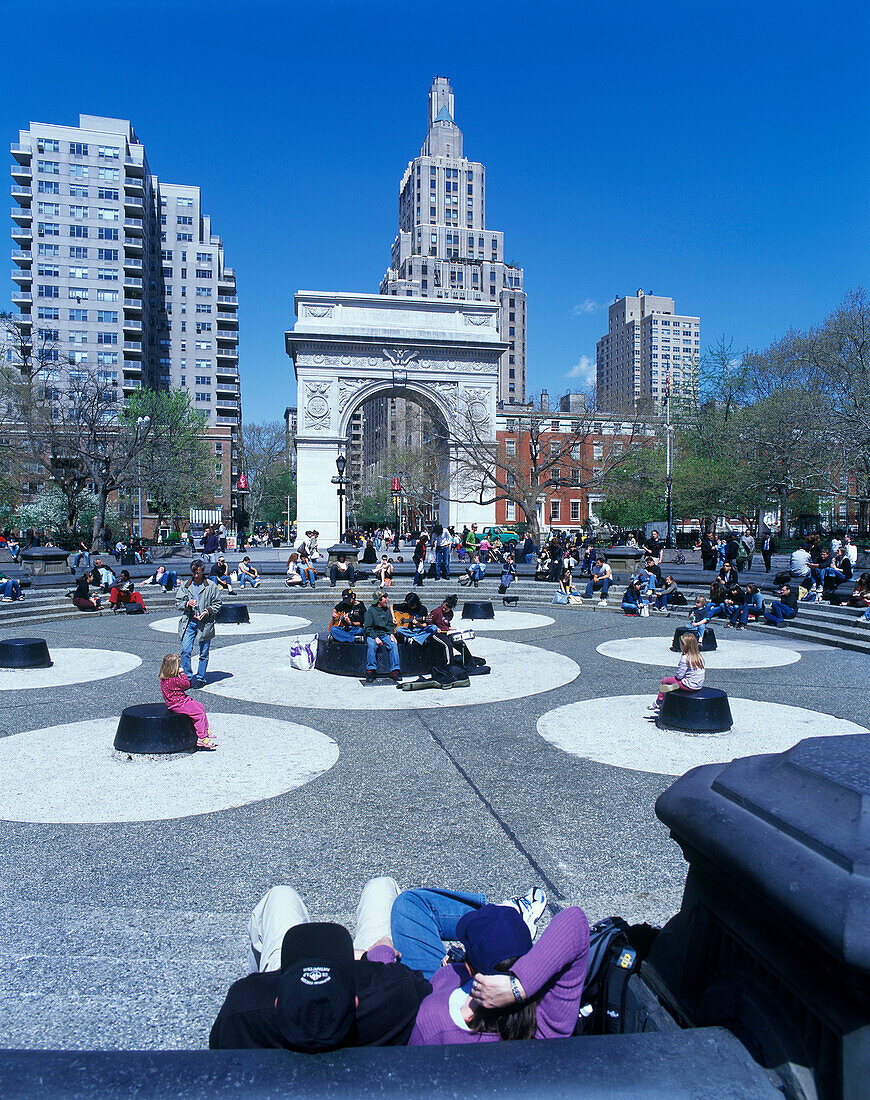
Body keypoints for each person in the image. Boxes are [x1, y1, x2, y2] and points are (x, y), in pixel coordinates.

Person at [209, 877, 432, 1051]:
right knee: (380, 886)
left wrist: (280, 973)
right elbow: (408, 977)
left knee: (280, 895)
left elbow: (259, 985)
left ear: (277, 1001)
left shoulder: (241, 1012)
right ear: (355, 1002)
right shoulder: (393, 995)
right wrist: (375, 954)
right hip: (368, 967)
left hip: (280, 980)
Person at [390, 886, 590, 1047]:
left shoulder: (434, 1021)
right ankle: (502, 922)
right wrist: (519, 988)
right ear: (531, 961)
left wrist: (451, 970)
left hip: (434, 987)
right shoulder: (548, 1023)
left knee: (409, 905)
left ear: (469, 970)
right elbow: (574, 920)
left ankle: (494, 918)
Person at [175, 559, 222, 687]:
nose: (196, 575)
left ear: (203, 572)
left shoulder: (210, 586)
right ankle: (187, 678)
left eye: (199, 573)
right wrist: (186, 604)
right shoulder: (185, 586)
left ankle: (200, 677)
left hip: (205, 623)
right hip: (189, 622)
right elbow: (177, 602)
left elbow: (218, 603)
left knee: (203, 652)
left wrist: (207, 611)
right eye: (194, 573)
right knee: (185, 650)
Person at [159, 653, 215, 750]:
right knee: (198, 714)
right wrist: (182, 674)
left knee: (200, 706)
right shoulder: (174, 679)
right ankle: (202, 737)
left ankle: (204, 729)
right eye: (179, 665)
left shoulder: (163, 678)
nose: (180, 667)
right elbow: (186, 684)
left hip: (179, 700)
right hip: (179, 704)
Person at [649, 632, 706, 713]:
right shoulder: (699, 657)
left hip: (688, 685)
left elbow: (679, 676)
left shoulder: (685, 658)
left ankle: (659, 701)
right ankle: (671, 689)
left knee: (665, 681)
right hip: (698, 685)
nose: (680, 646)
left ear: (684, 646)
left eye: (681, 644)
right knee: (674, 684)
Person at [363, 590, 402, 682]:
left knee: (393, 645)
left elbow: (390, 624)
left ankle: (395, 670)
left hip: (384, 634)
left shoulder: (387, 610)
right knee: (372, 646)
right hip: (373, 634)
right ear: (379, 600)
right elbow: (367, 627)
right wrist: (375, 638)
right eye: (385, 597)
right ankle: (370, 670)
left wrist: (391, 634)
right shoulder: (371, 611)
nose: (387, 600)